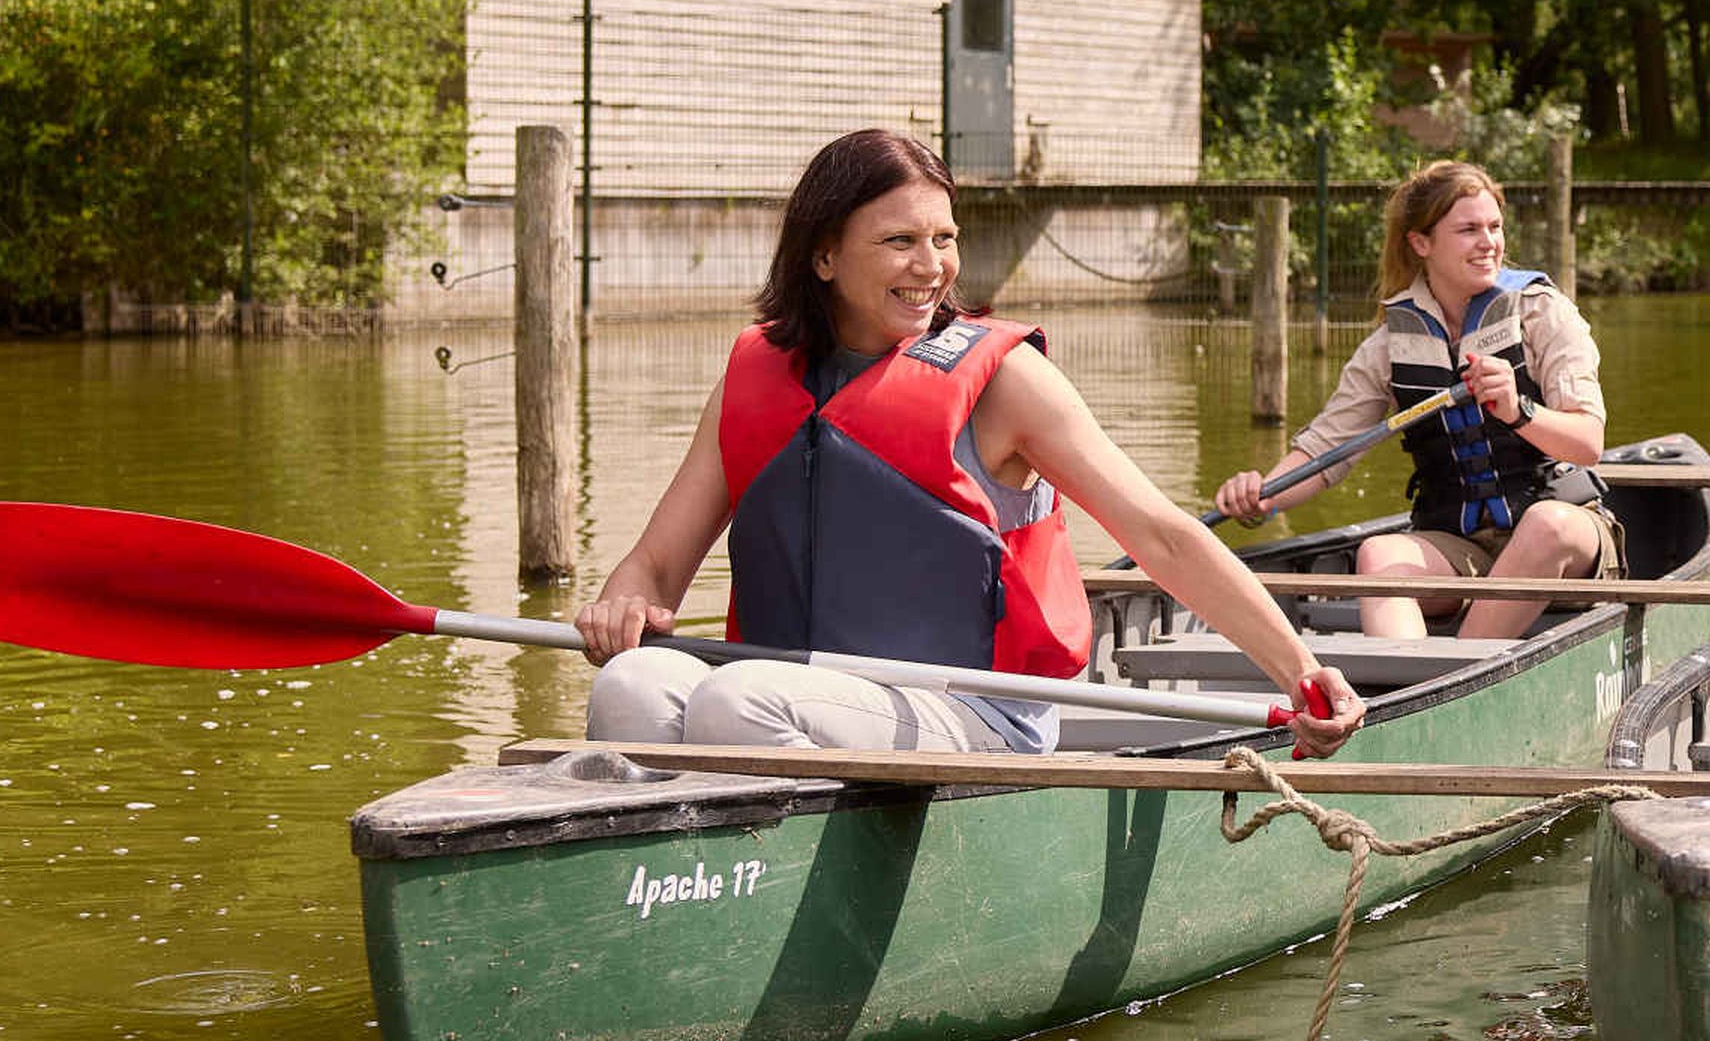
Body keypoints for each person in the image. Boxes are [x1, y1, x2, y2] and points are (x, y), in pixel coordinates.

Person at [575, 128, 1357, 757]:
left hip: (973, 710)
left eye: (944, 238)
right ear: (822, 255)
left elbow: (1162, 536)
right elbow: (656, 566)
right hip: (795, 693)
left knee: (737, 700)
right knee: (631, 685)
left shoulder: (1005, 381)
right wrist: (624, 604)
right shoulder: (757, 375)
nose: (932, 267)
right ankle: (681, 893)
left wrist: (1300, 669)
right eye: (899, 241)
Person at [1212, 159, 1617, 643]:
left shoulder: (1542, 314)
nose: (1489, 242)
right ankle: (1410, 686)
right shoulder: (1390, 343)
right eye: (1468, 230)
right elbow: (1326, 452)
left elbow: (1588, 442)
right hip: (1460, 546)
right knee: (1378, 557)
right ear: (1421, 243)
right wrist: (1261, 497)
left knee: (1545, 526)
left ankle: (1453, 681)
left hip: (1567, 539)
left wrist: (1518, 409)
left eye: (1494, 226)